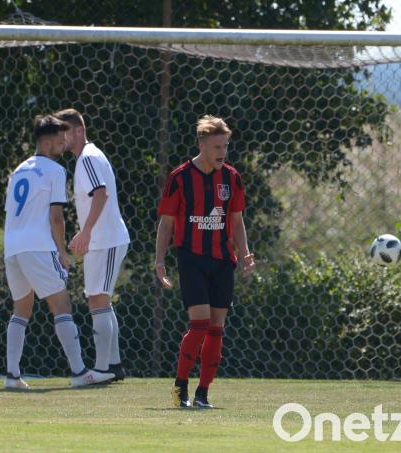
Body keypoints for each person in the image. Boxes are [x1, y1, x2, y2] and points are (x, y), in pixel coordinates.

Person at [3, 114, 115, 390]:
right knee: (61, 305)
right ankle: (79, 372)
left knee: (21, 309)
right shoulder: (55, 171)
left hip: (12, 247)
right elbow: (56, 217)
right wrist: (62, 252)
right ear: (49, 141)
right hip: (38, 247)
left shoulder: (18, 170)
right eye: (61, 138)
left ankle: (12, 375)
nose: (65, 143)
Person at [154, 115, 256, 408]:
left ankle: (202, 394)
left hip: (223, 260)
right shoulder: (181, 177)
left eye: (225, 145)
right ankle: (180, 387)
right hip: (191, 257)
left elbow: (236, 221)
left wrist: (245, 252)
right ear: (201, 145)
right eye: (216, 146)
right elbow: (166, 222)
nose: (222, 152)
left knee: (217, 327)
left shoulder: (232, 178)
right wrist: (160, 261)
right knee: (199, 323)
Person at [54, 108, 129, 381]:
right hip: (102, 240)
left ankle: (102, 369)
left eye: (64, 132)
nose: (60, 138)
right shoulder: (88, 157)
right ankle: (114, 365)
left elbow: (101, 194)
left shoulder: (88, 157)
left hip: (105, 239)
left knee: (98, 299)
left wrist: (85, 232)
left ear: (78, 131)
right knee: (100, 300)